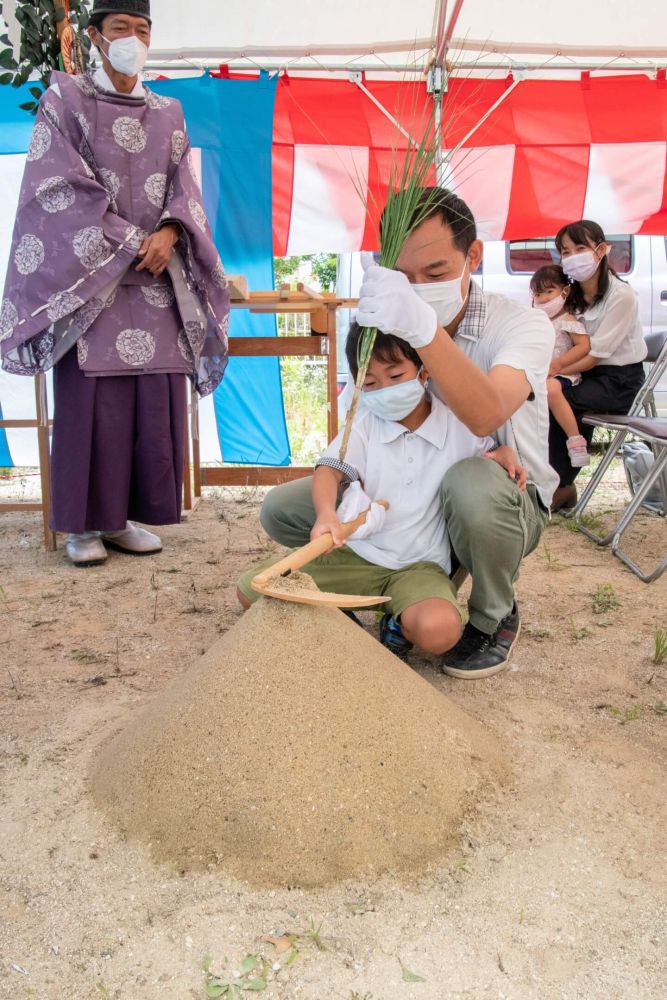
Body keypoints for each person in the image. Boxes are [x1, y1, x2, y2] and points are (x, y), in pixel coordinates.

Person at [259, 187, 558, 679]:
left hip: (497, 497)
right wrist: (336, 506)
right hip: (404, 491)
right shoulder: (381, 326)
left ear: (473, 256)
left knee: (470, 487)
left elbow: (485, 417)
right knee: (286, 508)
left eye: (436, 273)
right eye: (403, 276)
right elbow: (360, 423)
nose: (418, 288)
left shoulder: (522, 326)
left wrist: (423, 330)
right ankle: (392, 587)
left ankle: (492, 614)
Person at [0, 0, 230, 566]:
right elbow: (58, 188)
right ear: (97, 36)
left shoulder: (169, 110)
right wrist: (132, 239)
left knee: (150, 401)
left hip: (157, 278)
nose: (133, 39)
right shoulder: (66, 99)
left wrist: (173, 232)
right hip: (90, 281)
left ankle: (124, 519)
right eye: (121, 28)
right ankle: (83, 526)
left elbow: (184, 185)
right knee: (91, 403)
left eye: (142, 30)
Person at [238, 323, 527, 666]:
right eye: (372, 382)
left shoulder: (458, 426)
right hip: (356, 555)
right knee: (250, 592)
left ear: (424, 371)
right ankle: (344, 617)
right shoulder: (363, 425)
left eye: (395, 375)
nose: (385, 390)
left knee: (440, 631)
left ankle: (391, 621)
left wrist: (505, 453)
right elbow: (328, 471)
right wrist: (328, 515)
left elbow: (492, 451)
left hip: (418, 568)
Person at [549, 220, 647, 512]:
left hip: (618, 381)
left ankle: (561, 486)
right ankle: (554, 482)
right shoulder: (571, 295)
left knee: (557, 398)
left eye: (580, 248)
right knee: (543, 395)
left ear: (601, 250)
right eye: (565, 251)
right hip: (584, 375)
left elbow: (595, 354)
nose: (572, 257)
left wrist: (555, 368)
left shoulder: (621, 296)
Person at [530, 264, 591, 468]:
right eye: (539, 294)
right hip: (540, 372)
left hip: (562, 374)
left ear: (564, 291)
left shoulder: (568, 320)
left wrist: (560, 364)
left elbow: (584, 346)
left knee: (551, 389)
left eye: (549, 291)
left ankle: (575, 440)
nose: (545, 298)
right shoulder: (535, 320)